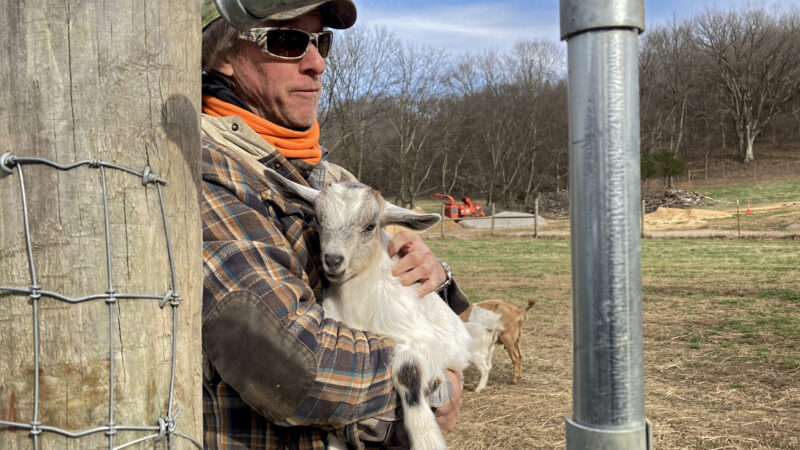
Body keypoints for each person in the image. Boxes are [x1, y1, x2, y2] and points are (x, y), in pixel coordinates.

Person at [199, 1, 471, 448]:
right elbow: (290, 363)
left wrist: (433, 279)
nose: (318, 63)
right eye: (288, 42)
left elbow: (447, 315)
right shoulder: (208, 173)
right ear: (223, 56)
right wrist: (429, 382)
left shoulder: (333, 179)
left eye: (321, 41)